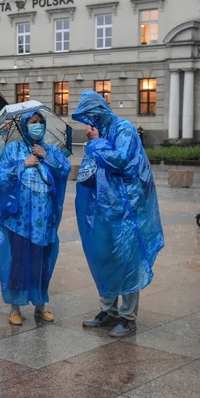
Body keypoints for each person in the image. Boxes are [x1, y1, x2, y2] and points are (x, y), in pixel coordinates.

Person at [72, 91, 164, 338]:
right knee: (105, 258)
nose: (89, 122)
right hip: (105, 208)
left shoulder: (124, 129)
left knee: (127, 261)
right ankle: (108, 310)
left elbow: (121, 161)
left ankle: (128, 317)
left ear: (101, 111)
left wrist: (95, 143)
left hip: (127, 208)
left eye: (91, 115)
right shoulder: (101, 132)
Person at [0, 111, 70, 325]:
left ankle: (40, 305)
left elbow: (64, 171)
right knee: (19, 261)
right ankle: (15, 306)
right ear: (25, 126)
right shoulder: (13, 149)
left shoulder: (51, 149)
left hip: (43, 221)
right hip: (19, 220)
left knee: (40, 262)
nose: (38, 126)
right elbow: (2, 177)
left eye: (41, 122)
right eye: (33, 122)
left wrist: (46, 156)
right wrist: (22, 165)